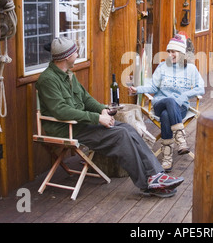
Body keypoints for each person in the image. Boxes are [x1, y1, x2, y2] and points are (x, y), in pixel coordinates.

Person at [36, 37, 184, 198]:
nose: (78, 54)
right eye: (75, 52)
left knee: (127, 128)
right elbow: (61, 111)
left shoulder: (68, 74)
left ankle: (156, 175)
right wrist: (97, 118)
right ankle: (147, 183)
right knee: (121, 136)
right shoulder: (47, 80)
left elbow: (86, 99)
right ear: (66, 57)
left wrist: (103, 110)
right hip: (66, 128)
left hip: (80, 123)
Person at [129, 34, 205, 172]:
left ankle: (167, 158)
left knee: (165, 116)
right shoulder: (163, 67)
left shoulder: (191, 69)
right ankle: (181, 140)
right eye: (169, 51)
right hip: (160, 103)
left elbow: (201, 88)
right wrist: (137, 89)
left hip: (179, 107)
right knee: (169, 101)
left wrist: (184, 96)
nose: (170, 54)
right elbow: (153, 87)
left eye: (173, 52)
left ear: (181, 53)